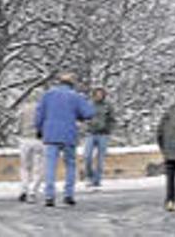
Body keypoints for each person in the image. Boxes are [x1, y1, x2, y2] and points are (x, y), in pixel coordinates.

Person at [35, 73, 96, 207]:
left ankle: (49, 196)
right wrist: (78, 115)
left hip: (50, 134)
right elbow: (89, 113)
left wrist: (39, 129)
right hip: (68, 134)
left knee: (50, 166)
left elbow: (39, 113)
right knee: (70, 165)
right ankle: (69, 195)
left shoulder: (48, 95)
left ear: (59, 82)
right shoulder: (75, 96)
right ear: (72, 84)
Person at [84, 86, 116, 188]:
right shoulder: (89, 104)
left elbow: (112, 119)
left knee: (100, 158)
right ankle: (89, 176)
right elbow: (84, 116)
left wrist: (109, 129)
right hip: (91, 133)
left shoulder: (108, 106)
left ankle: (97, 180)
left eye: (101, 94)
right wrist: (87, 124)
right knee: (87, 156)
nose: (99, 96)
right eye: (97, 94)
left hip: (103, 134)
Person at [16, 91, 44, 202]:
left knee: (25, 167)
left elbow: (17, 126)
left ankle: (24, 189)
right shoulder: (43, 110)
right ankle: (33, 191)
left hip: (25, 140)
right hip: (39, 140)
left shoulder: (23, 109)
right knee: (39, 167)